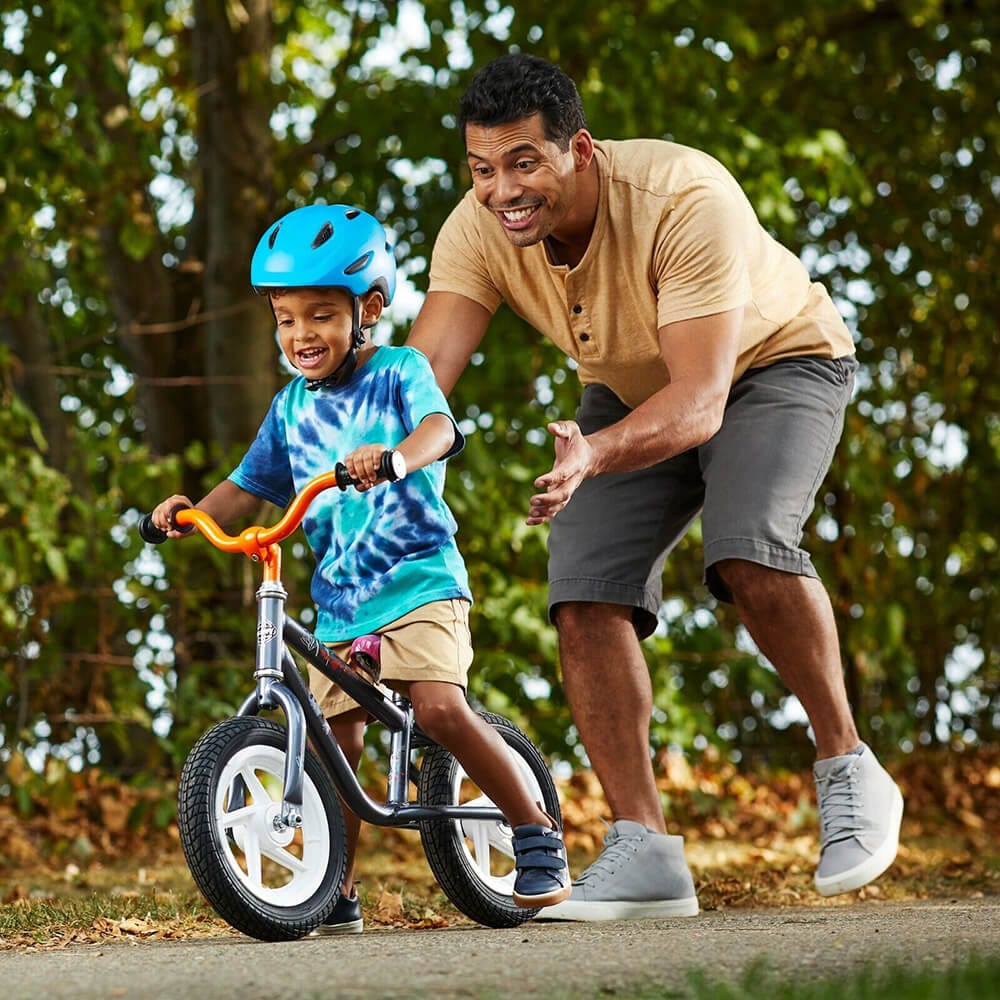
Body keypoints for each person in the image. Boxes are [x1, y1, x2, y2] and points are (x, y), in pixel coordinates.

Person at [406, 54, 904, 921]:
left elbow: (703, 400)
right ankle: (644, 852)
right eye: (483, 169)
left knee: (747, 547)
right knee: (584, 591)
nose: (502, 191)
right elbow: (421, 379)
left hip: (775, 362)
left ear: (580, 151)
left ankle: (848, 765)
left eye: (525, 162)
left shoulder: (682, 197)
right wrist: (340, 459)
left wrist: (594, 454)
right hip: (635, 388)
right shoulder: (478, 227)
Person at [150, 203, 570, 933]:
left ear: (368, 307)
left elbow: (440, 427)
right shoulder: (289, 409)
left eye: (319, 315)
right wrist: (189, 511)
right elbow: (253, 484)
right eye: (285, 319)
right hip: (342, 601)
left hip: (418, 583)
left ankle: (536, 832)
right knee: (333, 742)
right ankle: (333, 890)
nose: (300, 335)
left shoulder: (399, 373)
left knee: (438, 711)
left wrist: (398, 457)